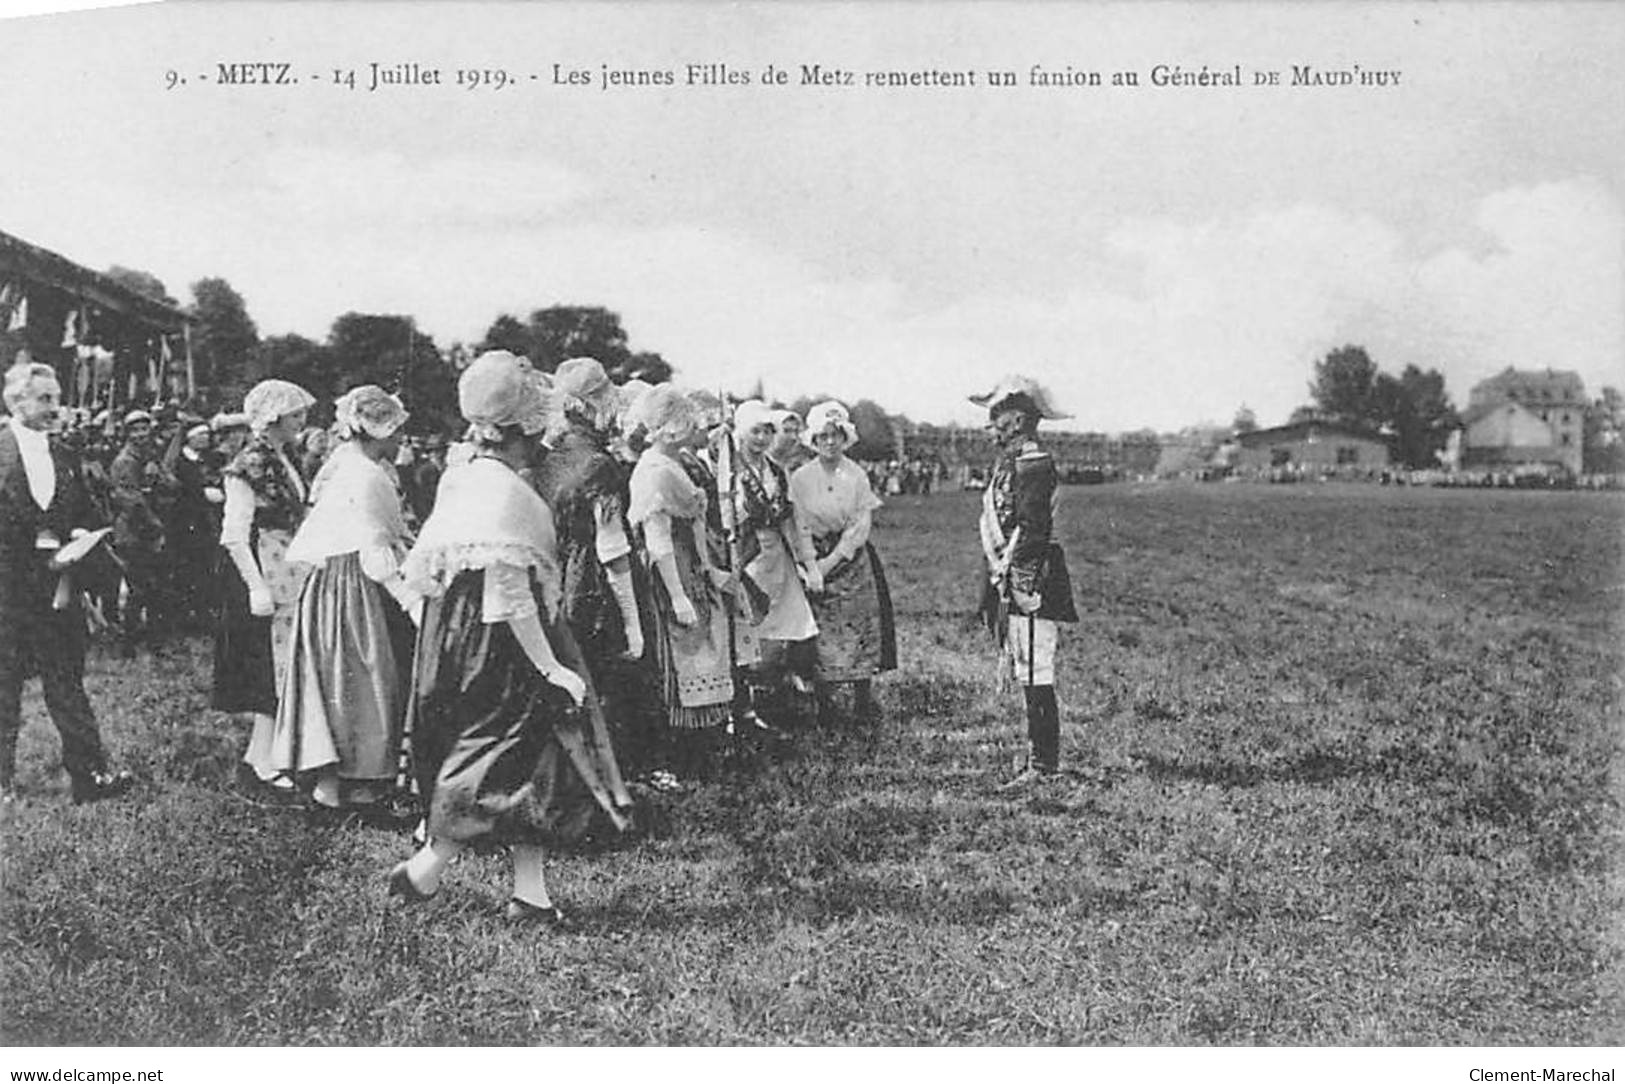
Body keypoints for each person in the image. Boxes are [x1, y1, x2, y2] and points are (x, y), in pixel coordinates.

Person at [387, 351, 632, 921]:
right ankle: (429, 867)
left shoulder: (467, 474)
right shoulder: (502, 493)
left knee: (532, 761)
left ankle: (528, 893)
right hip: (501, 643)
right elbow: (507, 594)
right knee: (498, 754)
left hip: (464, 637)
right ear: (522, 428)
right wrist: (550, 668)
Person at [268, 386, 416, 814]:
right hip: (351, 585)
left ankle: (332, 787)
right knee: (363, 681)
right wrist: (413, 603)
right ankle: (360, 789)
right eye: (397, 430)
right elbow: (377, 553)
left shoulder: (346, 463)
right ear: (378, 430)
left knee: (337, 682)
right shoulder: (366, 474)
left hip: (329, 585)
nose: (401, 439)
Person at [0, 361, 133, 804]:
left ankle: (90, 777)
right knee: (3, 686)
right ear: (15, 401)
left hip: (59, 589)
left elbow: (84, 514)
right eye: (45, 399)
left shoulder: (65, 455)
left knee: (67, 682)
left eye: (57, 397)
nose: (57, 407)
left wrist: (79, 534)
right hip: (6, 590)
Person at [532, 358, 660, 780]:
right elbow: (612, 548)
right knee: (615, 673)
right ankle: (621, 771)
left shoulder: (545, 457)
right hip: (594, 580)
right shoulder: (600, 464)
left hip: (553, 573)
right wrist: (633, 621)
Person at [970, 375, 1079, 785]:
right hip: (1015, 572)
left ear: (1016, 421)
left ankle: (1044, 764)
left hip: (1031, 576)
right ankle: (1039, 757)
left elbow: (1032, 528)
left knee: (1036, 667)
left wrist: (1018, 578)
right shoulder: (1012, 461)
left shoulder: (1032, 463)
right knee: (1026, 666)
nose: (991, 426)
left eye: (997, 417)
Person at [627, 385, 738, 776]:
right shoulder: (654, 471)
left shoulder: (672, 463)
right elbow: (658, 542)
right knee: (680, 653)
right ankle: (684, 753)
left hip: (690, 565)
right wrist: (677, 596)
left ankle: (703, 745)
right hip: (671, 572)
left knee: (702, 648)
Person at [215, 378, 316, 797]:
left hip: (290, 565)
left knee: (287, 664)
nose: (303, 420)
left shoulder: (283, 455)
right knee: (267, 668)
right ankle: (261, 761)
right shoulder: (247, 464)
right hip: (265, 570)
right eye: (295, 414)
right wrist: (256, 587)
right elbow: (234, 534)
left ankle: (268, 755)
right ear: (273, 418)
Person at [788, 401, 897, 725]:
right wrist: (813, 565)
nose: (830, 442)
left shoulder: (856, 474)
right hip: (815, 555)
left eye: (835, 435)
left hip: (851, 557)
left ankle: (863, 698)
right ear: (813, 440)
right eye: (823, 436)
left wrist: (835, 558)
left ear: (844, 437)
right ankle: (825, 702)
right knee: (822, 629)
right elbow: (799, 524)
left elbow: (860, 524)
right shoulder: (801, 478)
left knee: (860, 624)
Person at [732, 400, 822, 715]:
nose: (761, 438)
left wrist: (807, 562)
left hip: (776, 553)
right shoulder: (729, 470)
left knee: (795, 623)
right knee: (749, 626)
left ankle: (784, 694)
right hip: (746, 554)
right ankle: (749, 703)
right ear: (742, 432)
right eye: (756, 431)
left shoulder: (775, 471)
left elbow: (791, 520)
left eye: (767, 431)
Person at [108, 408, 168, 641]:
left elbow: (171, 485)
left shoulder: (150, 457)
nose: (141, 435)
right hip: (134, 531)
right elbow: (131, 501)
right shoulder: (124, 461)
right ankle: (130, 640)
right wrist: (156, 527)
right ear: (127, 434)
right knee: (139, 587)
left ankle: (152, 636)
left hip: (150, 527)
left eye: (145, 429)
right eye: (135, 430)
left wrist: (158, 476)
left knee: (154, 585)